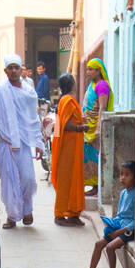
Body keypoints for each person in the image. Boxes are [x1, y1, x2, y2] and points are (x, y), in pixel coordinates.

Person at [0, 54, 43, 229]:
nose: (14, 70)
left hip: (23, 144)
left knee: (29, 179)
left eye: (17, 67)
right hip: (6, 143)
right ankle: (12, 215)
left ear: (21, 69)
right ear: (6, 71)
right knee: (8, 181)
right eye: (11, 68)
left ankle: (27, 209)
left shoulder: (29, 91)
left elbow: (33, 119)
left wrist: (38, 142)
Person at [75, 160, 135, 268]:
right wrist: (112, 224)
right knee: (98, 244)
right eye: (121, 174)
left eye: (127, 175)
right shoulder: (124, 193)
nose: (123, 178)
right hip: (119, 226)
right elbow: (120, 214)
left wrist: (119, 232)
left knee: (109, 247)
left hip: (128, 230)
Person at [51, 73, 87, 226]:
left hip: (74, 145)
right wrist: (80, 127)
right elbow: (65, 124)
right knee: (66, 179)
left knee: (75, 178)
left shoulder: (67, 100)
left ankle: (73, 213)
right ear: (71, 84)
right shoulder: (67, 100)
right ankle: (60, 214)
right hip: (68, 146)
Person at [82, 58, 113, 196]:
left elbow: (102, 108)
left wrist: (99, 128)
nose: (87, 72)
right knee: (88, 156)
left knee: (96, 157)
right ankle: (94, 186)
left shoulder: (102, 85)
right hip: (88, 126)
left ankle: (98, 188)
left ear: (98, 70)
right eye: (87, 68)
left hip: (95, 127)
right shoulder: (92, 85)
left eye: (90, 69)